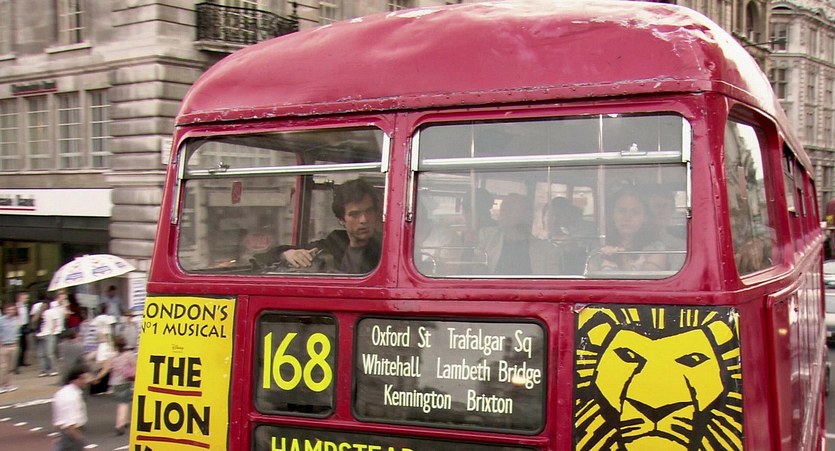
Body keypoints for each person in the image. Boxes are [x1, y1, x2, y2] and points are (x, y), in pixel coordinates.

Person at [256, 179, 383, 274]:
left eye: (369, 211)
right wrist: (287, 254)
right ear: (341, 220)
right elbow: (261, 258)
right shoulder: (335, 242)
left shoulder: (384, 246)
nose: (364, 220)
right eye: (355, 214)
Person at [586, 187, 667, 273]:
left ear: (645, 217)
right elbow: (591, 278)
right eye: (622, 211)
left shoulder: (656, 249)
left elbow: (647, 279)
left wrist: (622, 263)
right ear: (612, 215)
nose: (627, 217)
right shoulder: (599, 250)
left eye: (635, 212)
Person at [476, 193, 553, 275]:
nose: (503, 213)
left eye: (509, 209)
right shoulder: (486, 238)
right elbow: (476, 269)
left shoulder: (547, 252)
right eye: (502, 209)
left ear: (526, 215)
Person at [91, 334, 136, 435]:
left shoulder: (111, 356)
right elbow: (135, 366)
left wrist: (97, 378)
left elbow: (105, 369)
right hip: (125, 381)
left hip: (115, 383)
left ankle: (125, 421)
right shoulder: (129, 355)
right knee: (123, 403)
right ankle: (119, 424)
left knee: (121, 402)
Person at [541, 196, 589, 274]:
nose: (554, 219)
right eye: (550, 215)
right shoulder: (535, 239)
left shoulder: (569, 242)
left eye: (558, 215)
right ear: (543, 217)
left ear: (564, 219)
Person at [414, 200, 463, 275]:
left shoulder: (446, 236)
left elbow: (447, 269)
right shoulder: (402, 236)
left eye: (419, 218)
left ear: (425, 216)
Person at [52, 363, 90, 451]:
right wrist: (80, 441)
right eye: (83, 378)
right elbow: (70, 426)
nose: (85, 381)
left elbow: (57, 419)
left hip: (64, 434)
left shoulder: (61, 393)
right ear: (75, 380)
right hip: (72, 437)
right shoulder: (72, 397)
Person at [647, 188, 686, 270]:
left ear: (672, 212)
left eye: (665, 206)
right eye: (657, 206)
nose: (661, 211)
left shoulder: (682, 246)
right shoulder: (635, 244)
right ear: (647, 211)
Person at [0, 303, 20, 393]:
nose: (11, 311)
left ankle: (8, 384)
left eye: (13, 309)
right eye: (9, 309)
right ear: (5, 311)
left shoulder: (15, 320)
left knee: (11, 367)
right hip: (4, 345)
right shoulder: (1, 320)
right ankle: (1, 385)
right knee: (3, 367)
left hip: (13, 344)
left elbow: (17, 333)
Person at [14, 291, 31, 371]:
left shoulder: (25, 306)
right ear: (20, 298)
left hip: (24, 326)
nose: (27, 299)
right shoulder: (16, 306)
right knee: (19, 345)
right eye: (25, 298)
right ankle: (16, 362)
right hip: (18, 326)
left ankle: (22, 361)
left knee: (25, 345)